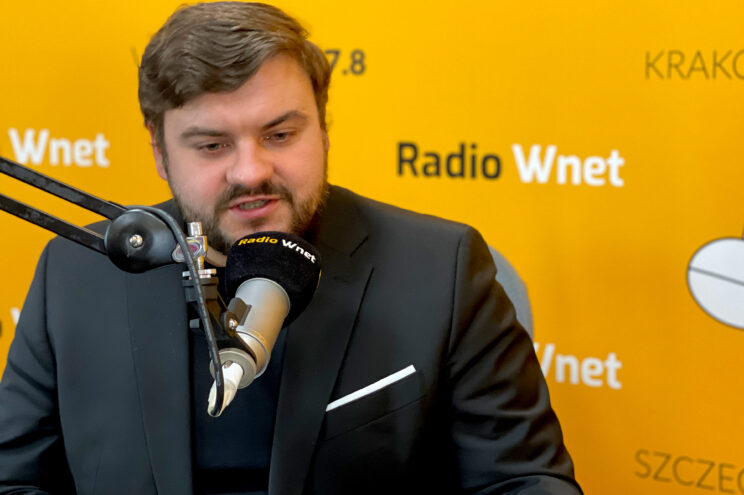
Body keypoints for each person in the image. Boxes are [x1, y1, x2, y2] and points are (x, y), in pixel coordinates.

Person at [0, 2, 582, 494]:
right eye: (212, 145)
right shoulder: (75, 274)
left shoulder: (442, 271)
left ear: (322, 127)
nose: (251, 171)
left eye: (280, 135)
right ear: (159, 150)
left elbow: (523, 482)